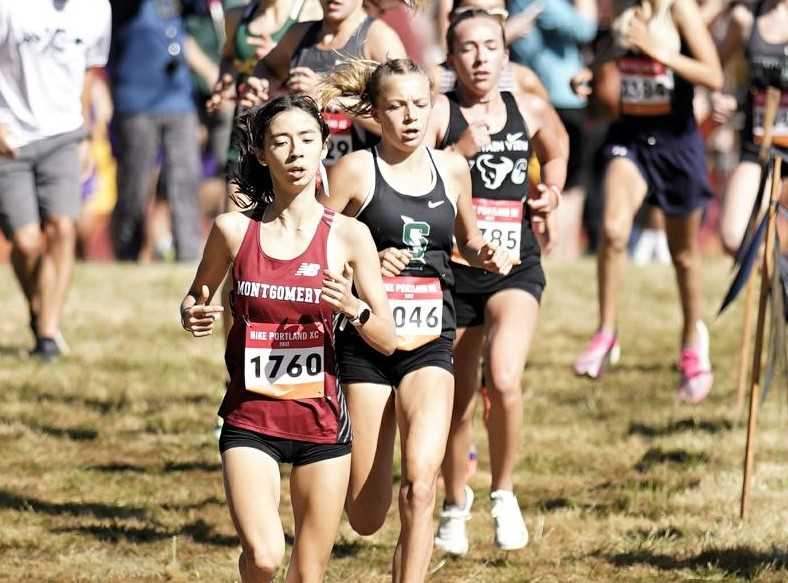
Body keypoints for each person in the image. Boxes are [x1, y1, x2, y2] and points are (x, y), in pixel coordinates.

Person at [180, 94, 397, 583]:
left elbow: (387, 339)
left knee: (307, 573)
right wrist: (193, 313)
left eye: (306, 139)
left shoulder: (349, 236)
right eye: (281, 141)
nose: (296, 152)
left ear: (324, 146)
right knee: (263, 556)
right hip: (250, 419)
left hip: (320, 425)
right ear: (261, 153)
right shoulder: (234, 231)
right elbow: (196, 296)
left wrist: (355, 308)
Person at [318, 57, 517, 582]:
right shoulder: (358, 170)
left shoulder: (452, 168)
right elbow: (315, 250)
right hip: (365, 342)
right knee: (364, 516)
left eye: (419, 105)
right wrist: (365, 265)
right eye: (396, 106)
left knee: (421, 487)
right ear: (376, 114)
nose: (410, 116)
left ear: (433, 108)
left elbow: (466, 240)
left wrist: (486, 252)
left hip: (431, 342)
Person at [423, 9, 566, 554]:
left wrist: (549, 192)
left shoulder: (525, 106)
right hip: (454, 273)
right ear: (451, 57)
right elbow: (412, 177)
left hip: (513, 268)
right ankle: (456, 504)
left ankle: (503, 493)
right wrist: (454, 156)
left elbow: (558, 147)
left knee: (503, 378)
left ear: (505, 54)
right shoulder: (437, 112)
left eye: (490, 46)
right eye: (468, 48)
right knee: (456, 400)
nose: (480, 58)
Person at [571, 0, 723, 403]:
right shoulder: (626, 14)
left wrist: (660, 52)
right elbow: (613, 52)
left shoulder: (681, 13)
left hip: (677, 144)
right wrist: (589, 74)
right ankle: (605, 332)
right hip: (631, 139)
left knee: (684, 255)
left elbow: (714, 75)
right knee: (613, 229)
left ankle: (693, 337)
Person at [0, 0, 112, 359]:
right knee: (26, 243)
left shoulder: (96, 8)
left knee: (63, 227)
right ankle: (39, 309)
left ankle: (47, 335)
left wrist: (85, 134)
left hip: (65, 134)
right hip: (12, 138)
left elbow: (88, 72)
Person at [211, 0, 407, 167]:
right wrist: (262, 85)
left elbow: (403, 118)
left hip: (359, 179)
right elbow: (266, 67)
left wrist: (332, 98)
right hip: (305, 177)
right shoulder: (300, 34)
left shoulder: (378, 38)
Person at [108, 0, 204, 261]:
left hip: (180, 100)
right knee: (135, 185)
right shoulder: (125, 7)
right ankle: (127, 254)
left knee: (185, 179)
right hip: (136, 102)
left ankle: (189, 256)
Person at [508, 0, 598, 260]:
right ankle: (555, 252)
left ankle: (566, 253)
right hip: (553, 100)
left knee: (570, 183)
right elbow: (584, 29)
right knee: (554, 182)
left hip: (564, 100)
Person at [717, 0, 787, 256]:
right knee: (733, 237)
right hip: (759, 147)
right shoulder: (745, 16)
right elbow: (714, 65)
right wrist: (723, 97)